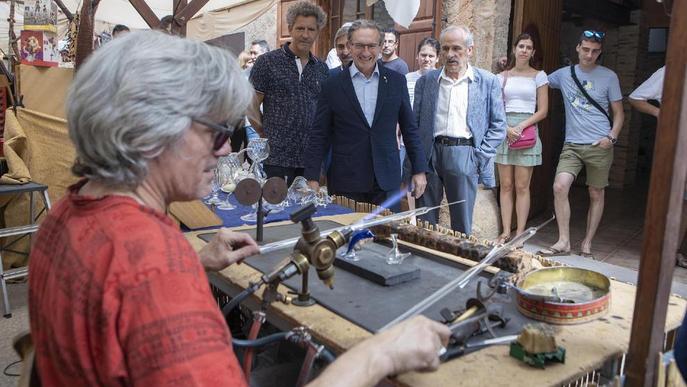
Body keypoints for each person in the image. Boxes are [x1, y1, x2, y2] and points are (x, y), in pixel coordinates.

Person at [28, 30, 450, 387]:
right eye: (215, 131)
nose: (227, 146)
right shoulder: (154, 265)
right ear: (151, 135)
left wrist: (196, 263)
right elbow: (138, 281)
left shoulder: (65, 213)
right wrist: (380, 354)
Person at [303, 19, 428, 207]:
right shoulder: (332, 85)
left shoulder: (396, 81)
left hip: (386, 178)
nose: (366, 52)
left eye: (371, 46)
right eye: (360, 46)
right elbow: (319, 133)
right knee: (346, 235)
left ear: (379, 47)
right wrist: (311, 177)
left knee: (386, 235)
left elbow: (409, 128)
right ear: (350, 46)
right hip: (346, 180)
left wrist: (419, 170)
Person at [412, 25, 507, 235]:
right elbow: (415, 126)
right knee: (424, 221)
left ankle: (459, 264)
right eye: (445, 49)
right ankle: (424, 260)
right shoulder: (427, 81)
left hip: (465, 153)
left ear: (470, 50)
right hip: (430, 155)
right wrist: (416, 165)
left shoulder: (487, 82)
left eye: (457, 48)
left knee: (462, 223)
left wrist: (479, 156)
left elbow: (499, 125)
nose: (450, 55)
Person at [540, 30, 624, 258]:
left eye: (595, 51)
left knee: (596, 192)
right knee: (559, 186)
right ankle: (564, 241)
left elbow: (619, 113)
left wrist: (612, 137)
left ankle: (587, 242)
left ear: (600, 52)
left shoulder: (609, 76)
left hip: (600, 144)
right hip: (572, 145)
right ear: (577, 48)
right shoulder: (563, 74)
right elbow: (537, 80)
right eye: (585, 49)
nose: (589, 55)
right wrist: (506, 68)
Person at [249, 1, 329, 184]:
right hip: (276, 158)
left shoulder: (322, 69)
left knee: (307, 210)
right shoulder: (267, 62)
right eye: (300, 28)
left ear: (318, 32)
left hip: (310, 159)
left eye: (311, 29)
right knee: (276, 209)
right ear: (290, 28)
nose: (305, 35)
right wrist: (263, 131)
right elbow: (250, 104)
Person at [493, 33, 549, 245]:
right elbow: (496, 107)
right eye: (521, 46)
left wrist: (520, 126)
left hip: (527, 130)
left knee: (522, 186)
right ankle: (506, 231)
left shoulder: (540, 76)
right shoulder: (502, 77)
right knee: (506, 185)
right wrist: (507, 128)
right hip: (505, 131)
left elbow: (543, 110)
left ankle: (520, 233)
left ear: (533, 52)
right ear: (514, 49)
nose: (524, 50)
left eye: (529, 47)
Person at [629, 66, 687, 267]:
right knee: (674, 201)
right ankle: (666, 252)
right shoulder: (671, 70)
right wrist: (660, 113)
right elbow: (636, 97)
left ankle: (673, 252)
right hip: (678, 147)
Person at [406, 37, 441, 106]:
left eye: (431, 56)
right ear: (417, 56)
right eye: (423, 55)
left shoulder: (441, 79)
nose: (427, 59)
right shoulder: (407, 78)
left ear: (437, 58)